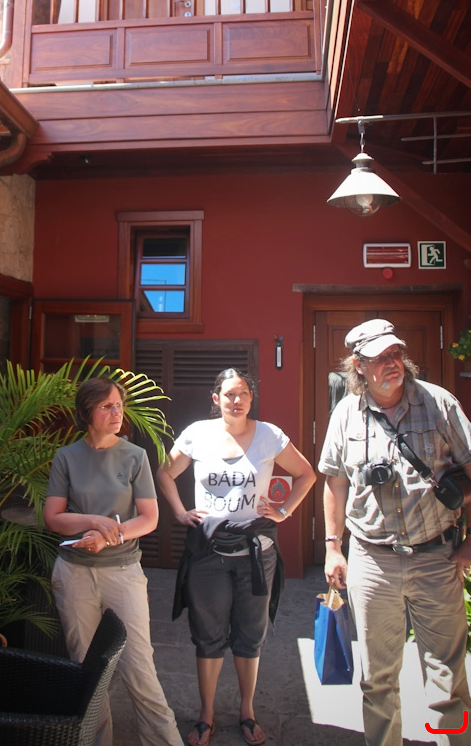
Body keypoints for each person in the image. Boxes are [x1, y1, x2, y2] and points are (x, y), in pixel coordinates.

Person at [319, 318, 471, 746]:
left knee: (447, 679)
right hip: (373, 562)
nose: (392, 363)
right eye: (380, 357)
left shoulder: (439, 404)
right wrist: (333, 547)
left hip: (436, 557)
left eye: (395, 353)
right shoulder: (346, 413)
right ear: (358, 366)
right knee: (378, 680)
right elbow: (335, 481)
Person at [156, 367, 316, 746]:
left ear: (251, 397)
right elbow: (164, 473)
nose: (237, 400)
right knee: (208, 635)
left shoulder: (269, 435)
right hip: (208, 553)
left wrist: (284, 511)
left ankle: (247, 711)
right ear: (216, 399)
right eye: (229, 394)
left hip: (256, 554)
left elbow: (307, 474)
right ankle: (207, 715)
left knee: (250, 635)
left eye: (243, 393)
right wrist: (180, 512)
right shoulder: (198, 434)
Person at [43, 376, 184, 746]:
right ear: (86, 412)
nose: (117, 413)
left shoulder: (135, 456)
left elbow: (149, 519)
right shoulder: (67, 457)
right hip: (74, 573)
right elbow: (54, 518)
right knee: (86, 669)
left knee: (139, 667)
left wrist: (109, 536)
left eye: (119, 405)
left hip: (123, 572)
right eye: (107, 406)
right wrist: (95, 522)